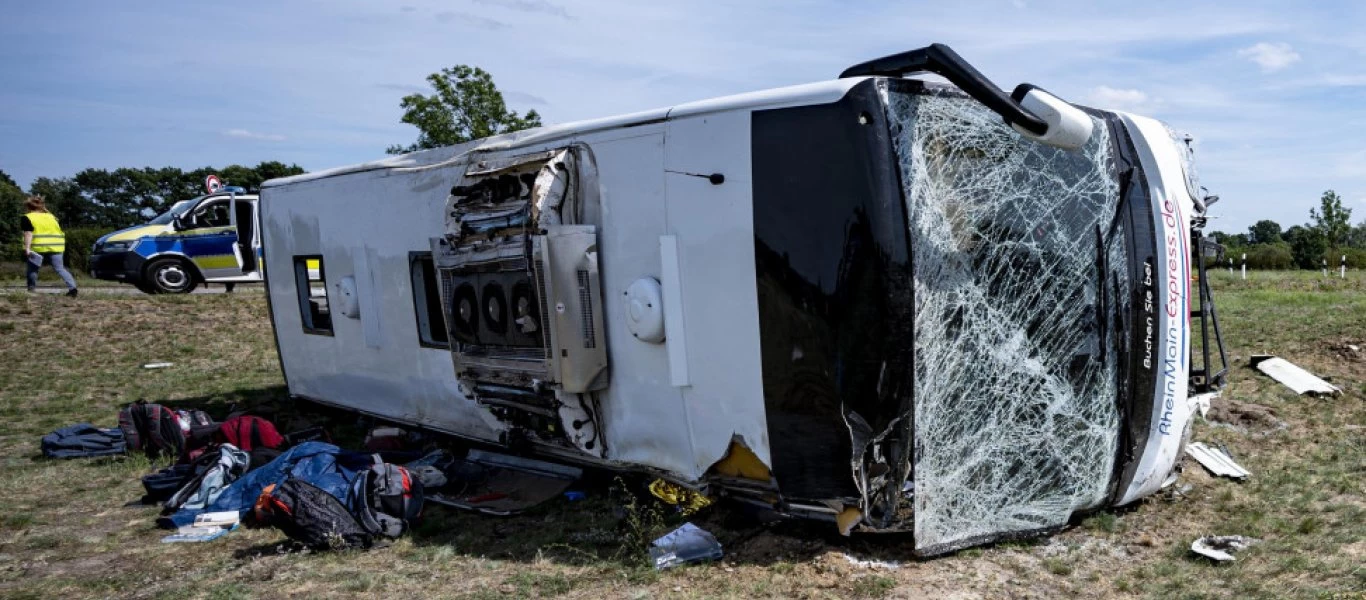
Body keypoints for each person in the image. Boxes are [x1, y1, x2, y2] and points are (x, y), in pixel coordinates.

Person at [21, 195, 78, 297]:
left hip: (38, 246)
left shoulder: (27, 217)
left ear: (28, 207)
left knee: (33, 269)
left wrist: (27, 248)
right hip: (57, 246)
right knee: (60, 268)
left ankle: (31, 290)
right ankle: (73, 288)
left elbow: (28, 233)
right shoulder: (51, 216)